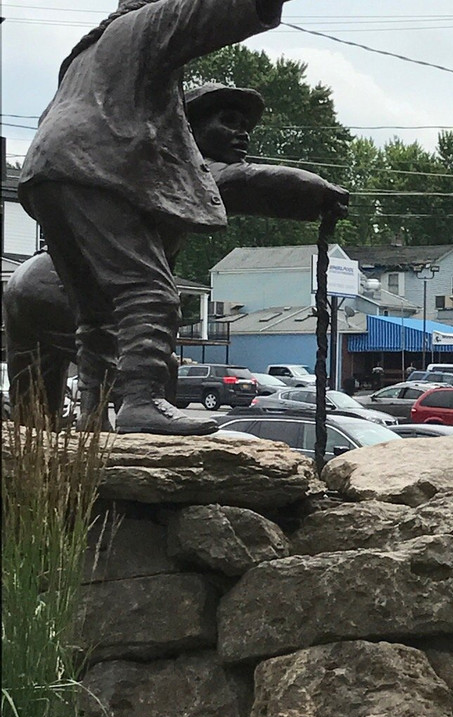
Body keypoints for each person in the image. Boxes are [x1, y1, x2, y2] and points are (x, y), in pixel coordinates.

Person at [17, 0, 309, 436]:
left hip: (46, 170)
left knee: (96, 312)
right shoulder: (141, 28)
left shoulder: (85, 53)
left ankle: (93, 416)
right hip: (92, 163)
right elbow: (204, 14)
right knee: (149, 292)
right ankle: (141, 400)